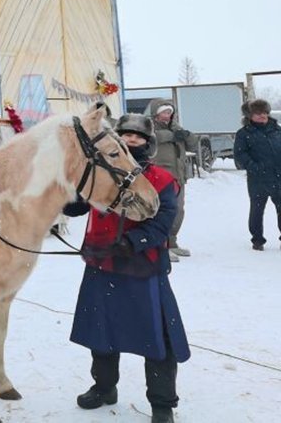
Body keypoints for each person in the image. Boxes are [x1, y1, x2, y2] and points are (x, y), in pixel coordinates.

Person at [65, 113, 189, 423]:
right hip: (100, 264)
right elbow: (76, 206)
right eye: (126, 135)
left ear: (148, 143)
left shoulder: (161, 179)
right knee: (100, 333)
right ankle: (105, 388)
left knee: (157, 340)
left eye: (138, 136)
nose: (132, 140)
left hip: (142, 267)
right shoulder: (99, 175)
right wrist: (63, 189)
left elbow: (163, 223)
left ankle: (162, 404)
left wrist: (133, 242)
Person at [149, 100, 197, 261]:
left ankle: (171, 242)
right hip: (161, 177)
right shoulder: (149, 127)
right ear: (156, 113)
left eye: (169, 112)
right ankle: (160, 246)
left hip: (178, 176)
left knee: (178, 211)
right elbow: (151, 140)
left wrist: (187, 135)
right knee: (161, 212)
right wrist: (171, 135)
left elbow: (193, 146)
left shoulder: (176, 127)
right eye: (164, 112)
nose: (167, 115)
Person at [233, 99, 281, 251]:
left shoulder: (277, 130)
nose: (262, 115)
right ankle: (257, 240)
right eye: (258, 113)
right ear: (250, 116)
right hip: (258, 179)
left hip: (278, 177)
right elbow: (240, 155)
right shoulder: (244, 133)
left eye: (264, 112)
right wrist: (254, 167)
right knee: (257, 210)